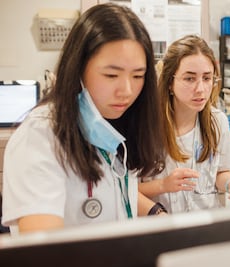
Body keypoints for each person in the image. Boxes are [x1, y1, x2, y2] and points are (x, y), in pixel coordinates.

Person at [1, 3, 167, 235]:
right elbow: (43, 253)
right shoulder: (41, 135)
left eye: (138, 76)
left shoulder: (114, 126)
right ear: (78, 68)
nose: (127, 91)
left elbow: (119, 198)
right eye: (111, 75)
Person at [139, 35, 230, 213]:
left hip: (205, 226)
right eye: (189, 79)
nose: (200, 89)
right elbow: (125, 191)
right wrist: (163, 186)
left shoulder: (217, 122)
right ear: (170, 83)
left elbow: (220, 172)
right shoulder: (145, 126)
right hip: (161, 228)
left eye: (207, 78)